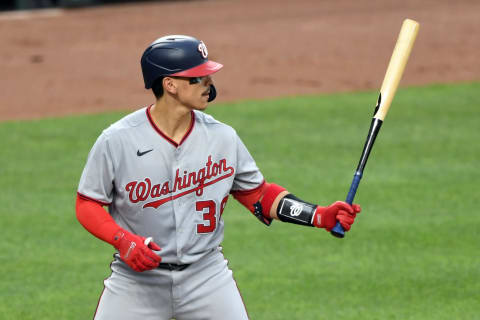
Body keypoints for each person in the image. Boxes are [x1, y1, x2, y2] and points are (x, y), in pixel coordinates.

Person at [75, 35, 361, 320]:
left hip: (206, 276)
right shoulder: (117, 140)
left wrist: (319, 215)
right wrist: (124, 241)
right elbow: (87, 203)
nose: (209, 83)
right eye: (197, 78)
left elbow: (259, 196)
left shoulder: (223, 137)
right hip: (135, 282)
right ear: (169, 84)